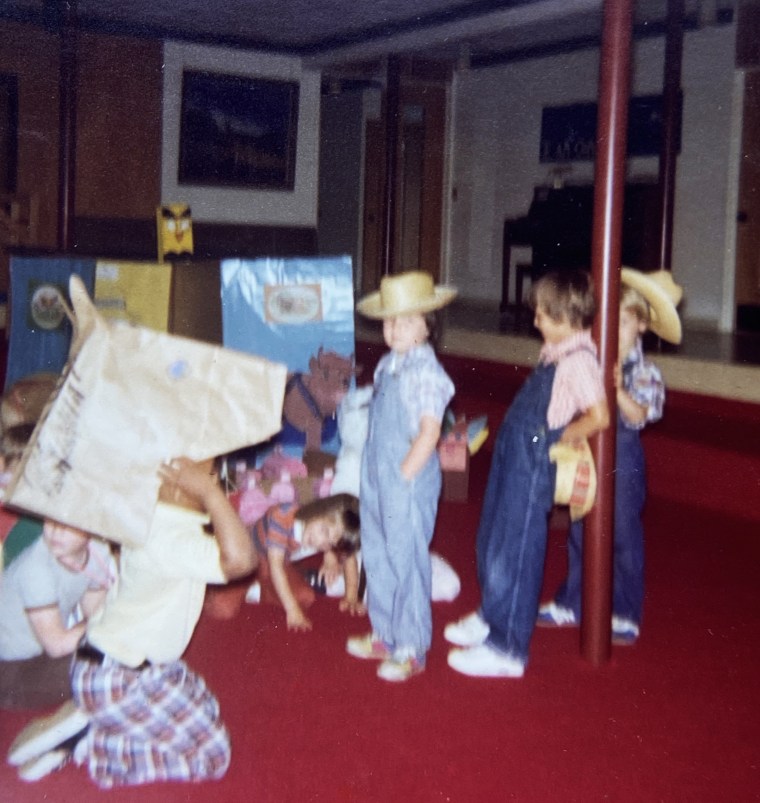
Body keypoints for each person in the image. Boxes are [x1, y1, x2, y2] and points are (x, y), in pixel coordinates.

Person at [11, 456, 257, 787]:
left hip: (112, 666)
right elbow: (243, 560)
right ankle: (91, 742)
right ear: (176, 480)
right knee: (212, 757)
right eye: (208, 472)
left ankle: (100, 721)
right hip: (118, 679)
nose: (213, 478)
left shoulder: (152, 520)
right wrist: (212, 495)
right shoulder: (172, 539)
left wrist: (204, 490)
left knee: (205, 706)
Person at [445, 269, 609, 678]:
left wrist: (559, 438)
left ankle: (508, 648)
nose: (535, 321)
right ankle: (491, 613)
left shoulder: (578, 360)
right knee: (492, 539)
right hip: (513, 453)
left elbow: (600, 415)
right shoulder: (555, 350)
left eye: (542, 315)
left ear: (569, 318)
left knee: (516, 549)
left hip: (535, 458)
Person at [537, 268, 682, 645]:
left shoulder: (645, 371)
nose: (614, 330)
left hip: (624, 459)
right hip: (589, 453)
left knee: (622, 536)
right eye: (608, 320)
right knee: (580, 530)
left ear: (641, 327)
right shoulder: (590, 357)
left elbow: (639, 415)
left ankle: (624, 611)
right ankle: (574, 601)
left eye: (624, 322)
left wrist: (616, 390)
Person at [346, 270, 456, 683]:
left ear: (428, 326)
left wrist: (404, 475)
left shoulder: (427, 373)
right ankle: (387, 632)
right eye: (390, 320)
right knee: (377, 549)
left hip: (405, 478)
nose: (395, 329)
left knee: (406, 557)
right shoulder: (387, 365)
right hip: (377, 473)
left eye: (408, 321)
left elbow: (429, 432)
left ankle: (411, 646)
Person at [0, 519, 113, 710]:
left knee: (117, 650)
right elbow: (57, 645)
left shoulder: (98, 550)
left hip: (44, 653)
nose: (55, 532)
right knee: (104, 667)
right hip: (10, 668)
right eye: (49, 520)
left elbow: (95, 611)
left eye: (68, 524)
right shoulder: (35, 568)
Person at [245, 493, 363, 630]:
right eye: (324, 531)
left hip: (283, 560)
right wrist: (293, 610)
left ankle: (269, 585)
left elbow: (349, 557)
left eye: (330, 543)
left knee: (308, 593)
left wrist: (351, 596)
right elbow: (275, 566)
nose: (320, 541)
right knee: (224, 607)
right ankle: (256, 588)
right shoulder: (283, 516)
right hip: (253, 557)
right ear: (318, 510)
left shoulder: (318, 532)